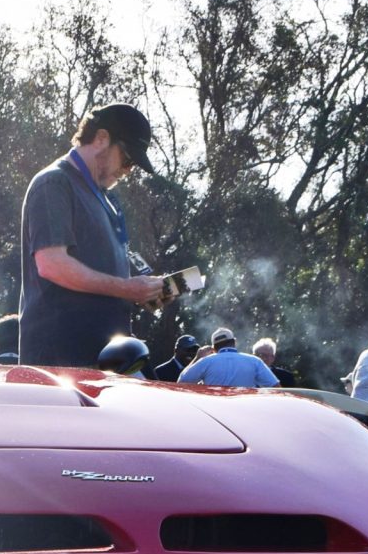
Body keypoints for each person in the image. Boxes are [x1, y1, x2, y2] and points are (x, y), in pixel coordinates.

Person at [18, 102, 168, 367]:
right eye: (127, 157)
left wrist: (142, 292)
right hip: (60, 364)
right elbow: (52, 264)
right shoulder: (54, 182)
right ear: (101, 139)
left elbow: (105, 276)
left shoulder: (105, 200)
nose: (128, 170)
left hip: (104, 360)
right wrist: (126, 288)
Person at [178, 326, 280, 387]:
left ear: (213, 348)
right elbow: (276, 387)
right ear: (234, 342)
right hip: (246, 413)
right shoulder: (254, 361)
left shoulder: (206, 361)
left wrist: (197, 358)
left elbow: (181, 383)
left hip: (215, 414)